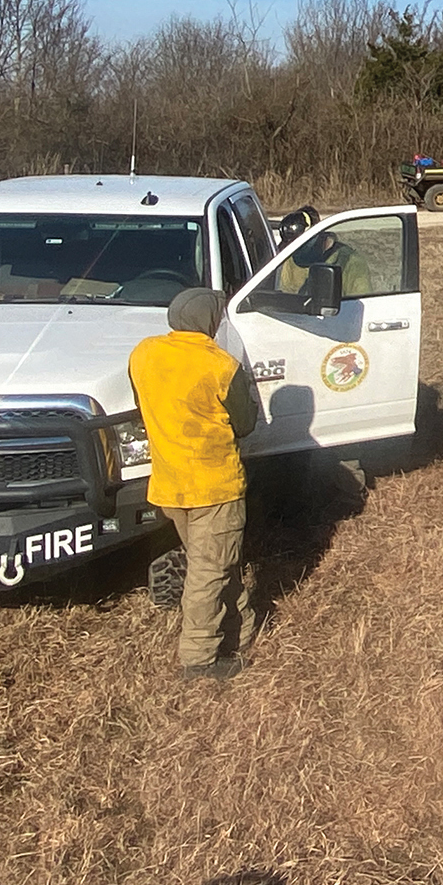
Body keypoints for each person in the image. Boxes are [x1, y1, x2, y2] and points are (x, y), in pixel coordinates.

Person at [128, 287, 262, 679]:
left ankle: (241, 631)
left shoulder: (144, 353)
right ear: (210, 321)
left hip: (170, 485)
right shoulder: (221, 365)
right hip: (215, 486)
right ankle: (199, 659)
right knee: (208, 572)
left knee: (219, 563)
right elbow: (245, 424)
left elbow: (141, 402)